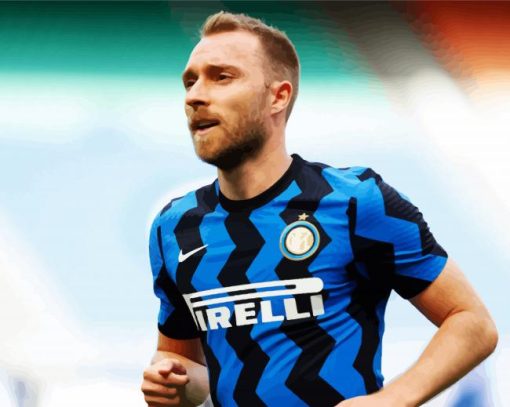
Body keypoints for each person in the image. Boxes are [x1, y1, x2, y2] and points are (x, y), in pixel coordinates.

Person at [141, 11, 498, 407]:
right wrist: (172, 382)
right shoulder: (175, 227)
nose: (194, 95)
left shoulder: (354, 202)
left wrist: (392, 400)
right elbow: (183, 362)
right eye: (190, 81)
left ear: (278, 96)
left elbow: (472, 323)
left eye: (221, 77)